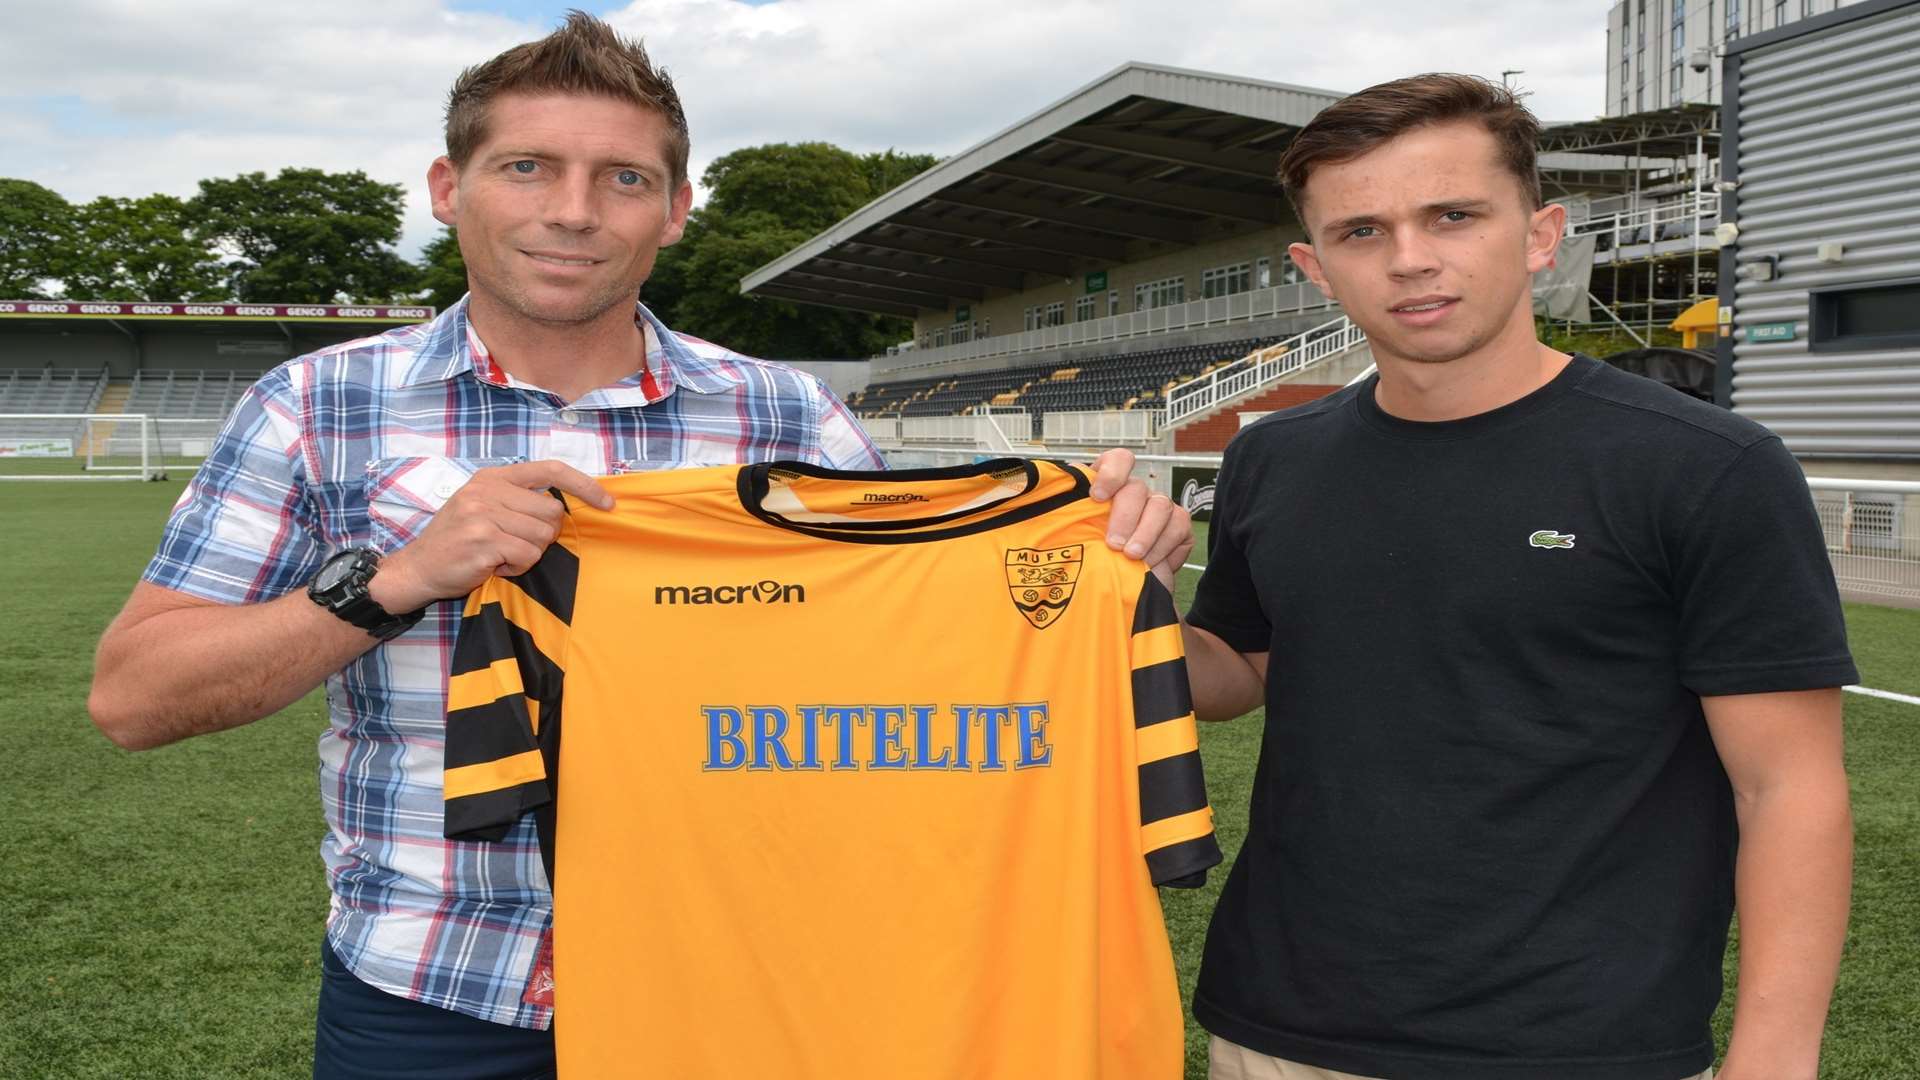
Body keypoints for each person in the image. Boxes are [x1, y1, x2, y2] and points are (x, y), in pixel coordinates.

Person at [85, 15, 1192, 1079]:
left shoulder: (787, 417)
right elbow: (135, 700)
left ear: (674, 211)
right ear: (446, 189)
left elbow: (926, 629)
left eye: (623, 178)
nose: (574, 211)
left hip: (750, 972)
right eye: (527, 167)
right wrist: (401, 578)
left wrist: (1096, 552)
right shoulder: (316, 405)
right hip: (438, 983)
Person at [1178, 74, 1854, 1080]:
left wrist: (1776, 1057)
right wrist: (1118, 596)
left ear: (1542, 235)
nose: (1411, 260)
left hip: (1578, 1041)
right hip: (1279, 1028)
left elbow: (1788, 786)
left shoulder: (1704, 466)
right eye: (1362, 232)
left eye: (1453, 215)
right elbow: (1238, 671)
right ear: (1314, 268)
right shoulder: (1274, 458)